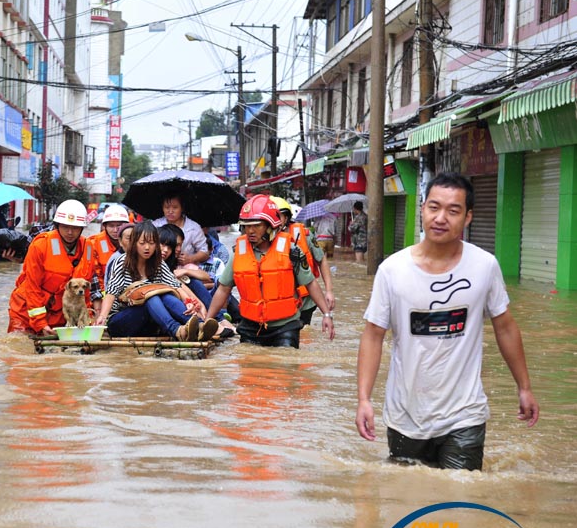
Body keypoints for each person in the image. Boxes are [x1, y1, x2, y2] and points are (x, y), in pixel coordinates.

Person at [356, 173, 539, 471]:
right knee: (405, 494)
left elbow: (505, 326)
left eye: (453, 211)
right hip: (405, 415)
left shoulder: (484, 266)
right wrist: (364, 398)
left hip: (465, 414)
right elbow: (373, 335)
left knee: (461, 493)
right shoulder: (392, 270)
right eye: (434, 207)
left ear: (468, 217)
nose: (441, 218)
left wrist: (524, 387)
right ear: (422, 209)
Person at [205, 194, 335, 348]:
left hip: (285, 327)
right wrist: (208, 321)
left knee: (284, 361)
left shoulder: (292, 251)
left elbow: (310, 283)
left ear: (270, 225)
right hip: (250, 327)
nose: (250, 231)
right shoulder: (239, 253)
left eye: (256, 226)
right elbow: (223, 289)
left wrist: (326, 314)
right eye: (247, 226)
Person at [95, 221, 217, 341]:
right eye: (142, 243)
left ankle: (199, 326)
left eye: (151, 243)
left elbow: (176, 285)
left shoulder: (158, 263)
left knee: (166, 296)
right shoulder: (122, 262)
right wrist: (102, 317)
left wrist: (188, 302)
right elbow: (111, 293)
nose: (147, 248)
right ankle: (176, 330)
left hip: (149, 322)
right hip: (121, 322)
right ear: (134, 243)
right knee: (151, 296)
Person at [8, 199, 95, 335]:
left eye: (75, 228)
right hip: (25, 312)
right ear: (57, 225)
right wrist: (40, 323)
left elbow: (85, 292)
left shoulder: (88, 248)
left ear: (82, 228)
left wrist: (86, 317)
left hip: (59, 315)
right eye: (65, 226)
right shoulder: (41, 245)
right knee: (19, 344)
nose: (70, 232)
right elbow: (32, 287)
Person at [272, 196, 336, 326]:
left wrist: (329, 291)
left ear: (286, 218)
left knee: (303, 331)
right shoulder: (264, 240)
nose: (275, 220)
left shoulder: (304, 235)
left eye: (279, 216)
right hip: (280, 300)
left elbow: (321, 260)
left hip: (306, 300)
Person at [87, 204, 130, 315]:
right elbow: (95, 277)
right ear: (104, 226)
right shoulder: (93, 243)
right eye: (111, 226)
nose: (115, 230)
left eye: (119, 225)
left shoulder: (135, 240)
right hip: (103, 296)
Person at [152, 193, 209, 265]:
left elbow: (205, 252)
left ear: (182, 208)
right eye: (167, 207)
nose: (170, 211)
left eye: (175, 207)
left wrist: (191, 259)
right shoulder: (156, 225)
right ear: (162, 208)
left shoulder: (193, 228)